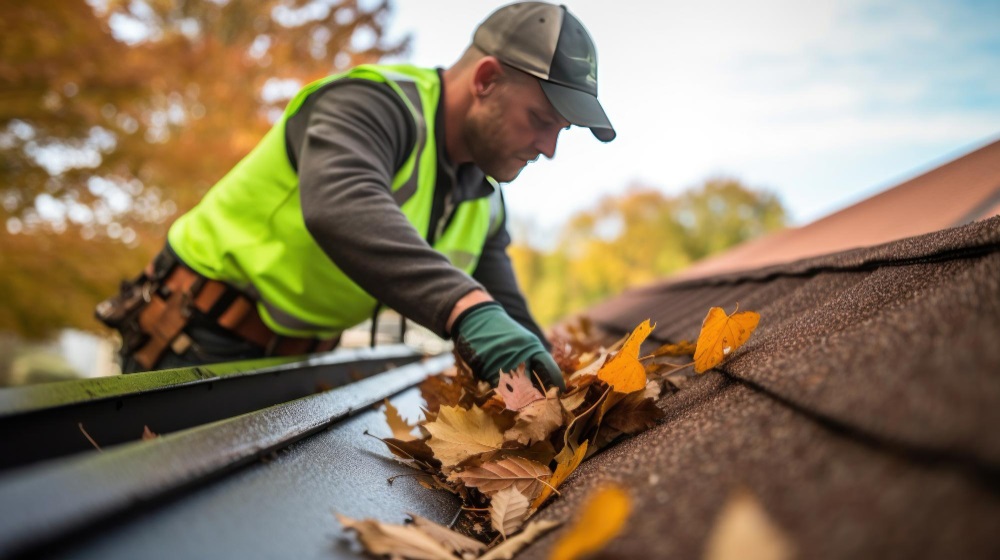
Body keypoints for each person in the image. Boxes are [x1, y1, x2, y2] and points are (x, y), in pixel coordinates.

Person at [96, 1, 615, 389]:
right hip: (194, 337)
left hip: (295, 362)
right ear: (485, 80)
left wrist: (541, 357)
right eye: (541, 120)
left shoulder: (485, 197)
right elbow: (342, 203)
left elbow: (502, 309)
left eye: (560, 131)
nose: (548, 148)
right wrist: (465, 308)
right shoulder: (369, 105)